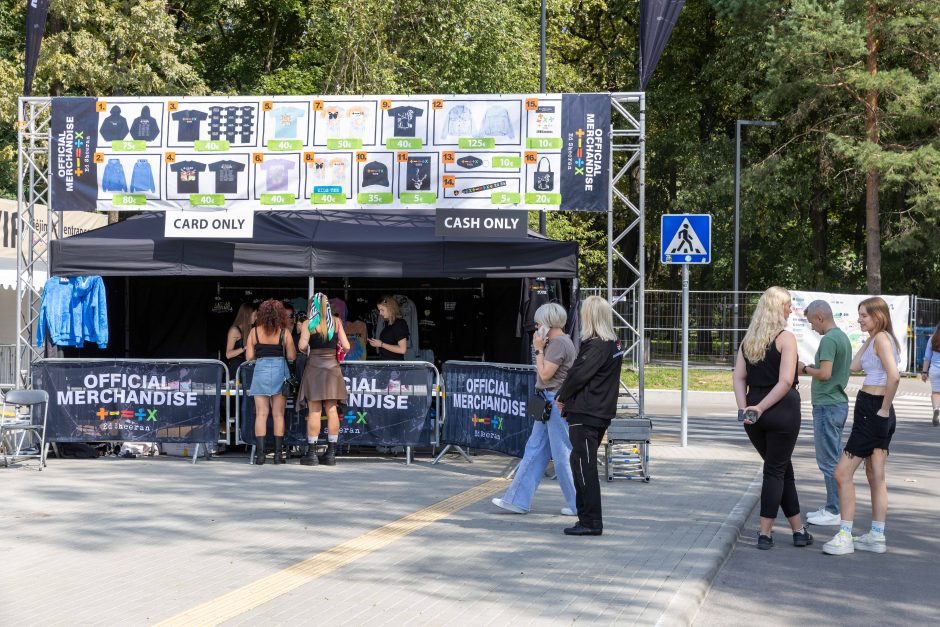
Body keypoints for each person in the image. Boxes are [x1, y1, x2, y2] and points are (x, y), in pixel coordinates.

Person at [732, 286, 812, 550]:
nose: (791, 309)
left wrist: (746, 409)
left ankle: (799, 530)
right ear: (778, 308)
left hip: (754, 415)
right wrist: (762, 407)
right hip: (780, 411)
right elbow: (786, 380)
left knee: (781, 468)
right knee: (775, 470)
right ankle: (765, 533)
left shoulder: (749, 340)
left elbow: (738, 377)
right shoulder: (785, 338)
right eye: (788, 304)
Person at [823, 297, 900, 556]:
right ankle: (876, 535)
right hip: (874, 411)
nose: (859, 319)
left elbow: (895, 376)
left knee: (841, 473)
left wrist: (883, 409)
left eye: (864, 315)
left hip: (873, 411)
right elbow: (854, 365)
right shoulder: (878, 338)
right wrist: (868, 334)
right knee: (875, 475)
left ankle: (845, 535)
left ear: (878, 315)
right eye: (859, 315)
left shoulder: (881, 339)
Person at [491, 303, 578, 517]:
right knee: (537, 450)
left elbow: (545, 374)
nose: (536, 327)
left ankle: (578, 503)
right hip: (548, 402)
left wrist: (538, 348)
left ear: (547, 323)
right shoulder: (560, 342)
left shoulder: (558, 344)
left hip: (554, 402)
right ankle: (517, 500)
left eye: (538, 323)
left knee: (560, 455)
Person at [555, 296, 623, 536]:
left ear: (589, 316)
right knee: (583, 464)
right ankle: (587, 518)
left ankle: (590, 521)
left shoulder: (596, 346)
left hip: (586, 412)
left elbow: (577, 376)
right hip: (599, 411)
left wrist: (562, 397)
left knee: (584, 466)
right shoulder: (613, 344)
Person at [797, 300, 853, 527]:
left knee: (827, 460)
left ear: (820, 317)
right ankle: (835, 506)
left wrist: (804, 368)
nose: (812, 327)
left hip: (827, 405)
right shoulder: (842, 337)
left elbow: (825, 374)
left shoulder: (829, 339)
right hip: (836, 403)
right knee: (834, 457)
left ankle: (834, 509)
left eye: (812, 322)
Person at [298, 293, 350, 466]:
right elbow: (347, 346)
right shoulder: (336, 322)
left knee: (314, 410)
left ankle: (312, 454)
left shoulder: (308, 324)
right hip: (332, 368)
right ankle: (331, 454)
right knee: (332, 410)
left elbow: (302, 346)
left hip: (314, 367)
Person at [245, 298, 296, 465]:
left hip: (260, 371)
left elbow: (249, 357)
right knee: (278, 414)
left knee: (261, 414)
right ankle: (277, 456)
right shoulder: (285, 332)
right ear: (280, 315)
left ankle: (260, 456)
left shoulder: (254, 332)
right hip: (280, 371)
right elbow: (291, 356)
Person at [368, 295, 408, 360]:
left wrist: (381, 344)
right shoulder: (388, 324)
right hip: (387, 365)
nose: (380, 313)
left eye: (382, 310)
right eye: (379, 310)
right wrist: (377, 343)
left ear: (390, 308)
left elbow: (402, 349)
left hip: (394, 367)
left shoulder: (399, 324)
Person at [225, 303, 256, 375]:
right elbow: (228, 354)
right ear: (248, 315)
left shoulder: (250, 329)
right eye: (255, 315)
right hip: (237, 368)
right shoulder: (234, 330)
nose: (256, 318)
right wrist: (244, 348)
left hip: (248, 367)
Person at [921, 322, 940, 426]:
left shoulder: (933, 339)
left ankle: (936, 409)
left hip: (935, 369)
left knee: (936, 392)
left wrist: (924, 372)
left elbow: (927, 357)